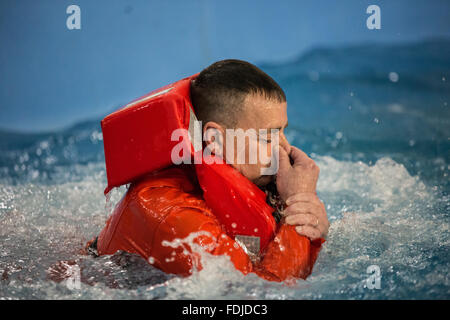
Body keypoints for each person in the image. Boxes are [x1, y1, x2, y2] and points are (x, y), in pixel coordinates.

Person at [87, 60, 329, 282]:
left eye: (283, 131)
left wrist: (306, 219)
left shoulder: (247, 176)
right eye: (268, 137)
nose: (285, 149)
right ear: (215, 140)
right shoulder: (173, 216)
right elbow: (266, 296)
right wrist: (298, 207)